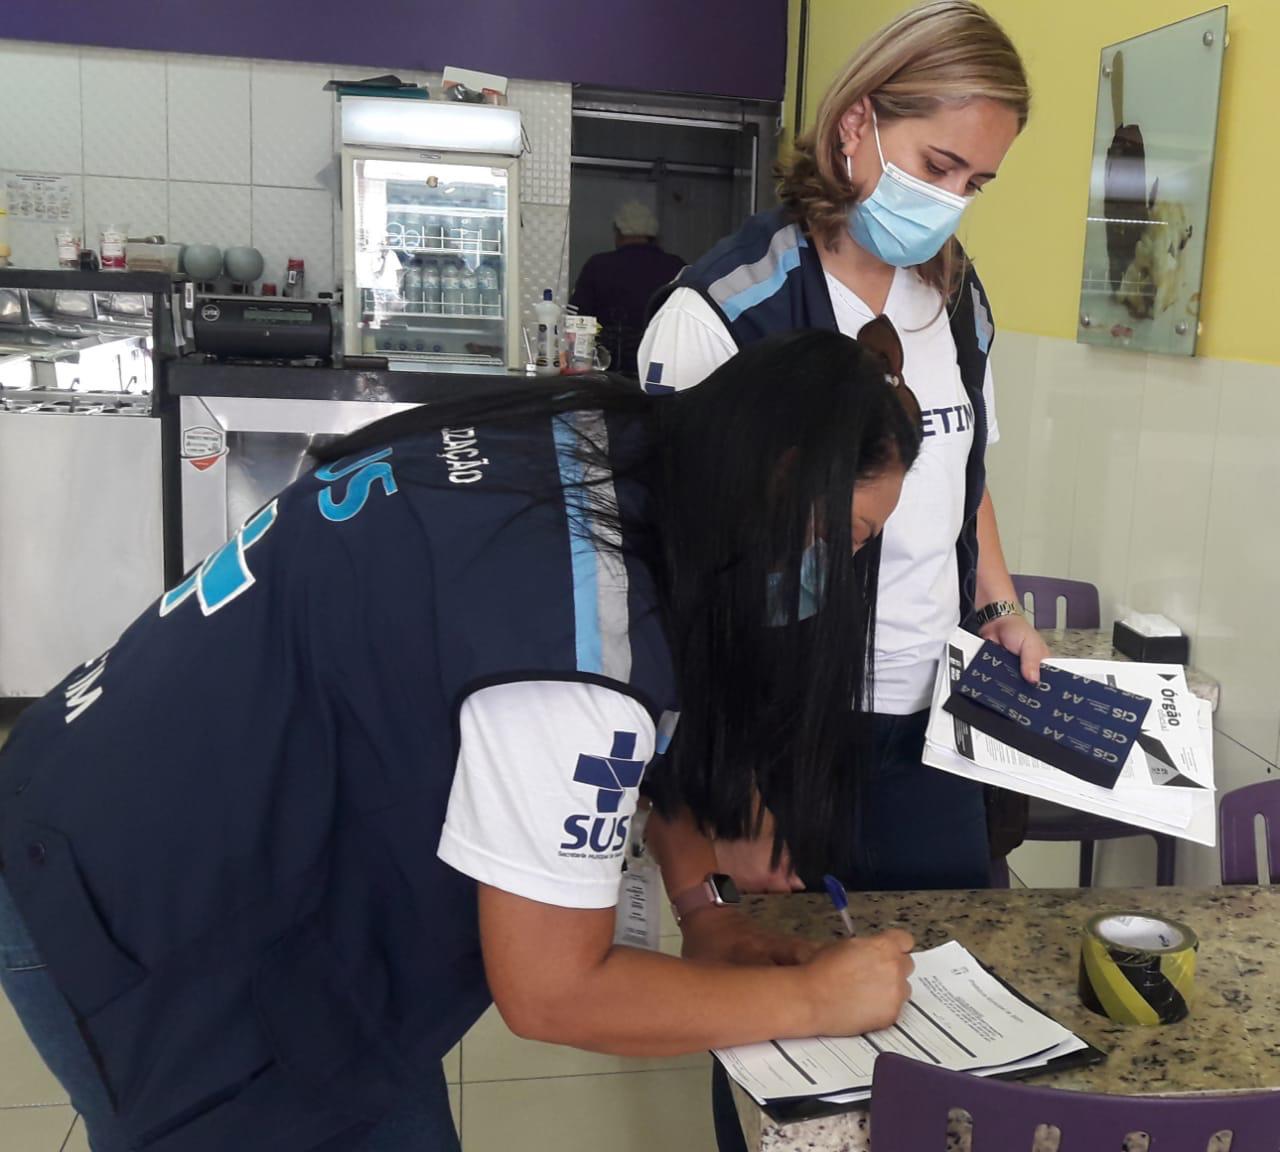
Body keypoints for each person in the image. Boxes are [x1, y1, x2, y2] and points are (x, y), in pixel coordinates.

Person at [0, 329, 921, 1152]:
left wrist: (705, 911)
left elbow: (650, 712)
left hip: (170, 790)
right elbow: (555, 991)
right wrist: (813, 999)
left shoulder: (614, 443)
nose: (837, 571)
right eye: (844, 535)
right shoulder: (577, 646)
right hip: (139, 895)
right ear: (778, 475)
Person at [641, 0, 1045, 898]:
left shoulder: (957, 299)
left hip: (931, 717)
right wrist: (727, 792)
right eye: (937, 166)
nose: (950, 203)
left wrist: (998, 603)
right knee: (785, 970)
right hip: (781, 729)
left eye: (975, 183)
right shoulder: (730, 310)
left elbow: (964, 472)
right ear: (857, 122)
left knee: (942, 958)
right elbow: (674, 573)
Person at [570, 201, 685, 376]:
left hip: (607, 372)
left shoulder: (598, 265)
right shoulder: (676, 267)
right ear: (653, 235)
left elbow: (575, 321)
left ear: (618, 232)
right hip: (658, 370)